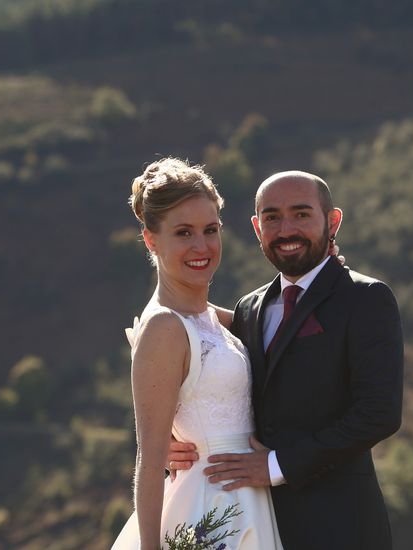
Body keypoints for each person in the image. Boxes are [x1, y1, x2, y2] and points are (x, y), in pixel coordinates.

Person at [168, 171, 405, 549]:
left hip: (340, 527)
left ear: (333, 221)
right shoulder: (249, 308)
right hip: (252, 521)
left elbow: (379, 413)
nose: (286, 229)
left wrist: (277, 465)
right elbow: (215, 376)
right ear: (256, 227)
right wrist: (174, 440)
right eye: (272, 217)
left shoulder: (366, 298)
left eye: (301, 214)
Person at [111, 158, 283, 550]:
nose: (201, 246)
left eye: (210, 230)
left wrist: (327, 265)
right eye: (183, 233)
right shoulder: (164, 328)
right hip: (206, 511)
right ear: (151, 239)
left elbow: (282, 316)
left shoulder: (211, 318)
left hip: (252, 502)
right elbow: (150, 463)